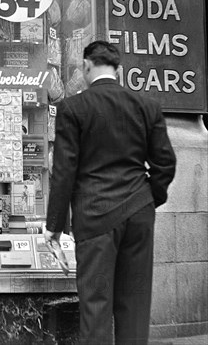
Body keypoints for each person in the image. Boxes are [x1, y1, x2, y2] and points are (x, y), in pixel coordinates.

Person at [44, 41, 176, 345]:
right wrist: (147, 198)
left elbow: (64, 172)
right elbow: (165, 163)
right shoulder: (147, 105)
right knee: (134, 306)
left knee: (96, 308)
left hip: (95, 216)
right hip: (139, 215)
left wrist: (54, 226)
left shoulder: (73, 108)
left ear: (87, 67)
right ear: (118, 70)